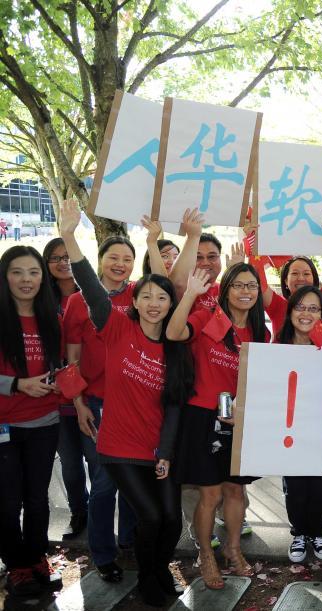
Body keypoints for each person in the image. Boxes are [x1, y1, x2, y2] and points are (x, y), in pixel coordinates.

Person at [60, 200, 191, 605]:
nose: (154, 303)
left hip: (159, 448)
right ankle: (151, 578)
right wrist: (69, 237)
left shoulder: (174, 346)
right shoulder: (115, 327)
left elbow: (174, 406)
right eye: (146, 296)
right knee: (150, 516)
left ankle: (155, 570)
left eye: (162, 298)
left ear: (170, 305)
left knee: (172, 520)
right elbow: (89, 283)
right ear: (134, 301)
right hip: (118, 447)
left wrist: (166, 452)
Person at [166, 262, 270, 588]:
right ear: (226, 290)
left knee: (235, 489)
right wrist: (191, 296)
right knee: (209, 494)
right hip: (203, 416)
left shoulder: (259, 332)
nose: (245, 291)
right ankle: (206, 555)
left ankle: (233, 549)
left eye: (251, 286)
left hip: (239, 418)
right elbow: (172, 333)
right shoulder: (207, 317)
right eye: (238, 285)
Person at [0, 245, 64, 597]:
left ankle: (38, 557)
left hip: (45, 422)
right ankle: (17, 566)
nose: (26, 280)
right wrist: (17, 384)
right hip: (5, 427)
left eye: (34, 272)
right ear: (5, 276)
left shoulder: (50, 318)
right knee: (8, 500)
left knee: (37, 498)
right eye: (17, 272)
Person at [277, 286, 322, 564]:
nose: (306, 313)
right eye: (300, 307)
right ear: (290, 311)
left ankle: (316, 532)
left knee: (321, 487)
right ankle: (299, 533)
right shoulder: (276, 347)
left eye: (314, 308)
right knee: (295, 488)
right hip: (288, 431)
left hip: (321, 431)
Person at [42, 238, 87, 540]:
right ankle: (78, 513)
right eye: (56, 258)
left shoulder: (92, 296)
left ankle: (102, 517)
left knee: (98, 462)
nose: (63, 262)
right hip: (55, 395)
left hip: (90, 391)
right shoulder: (40, 300)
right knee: (70, 462)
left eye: (68, 256)